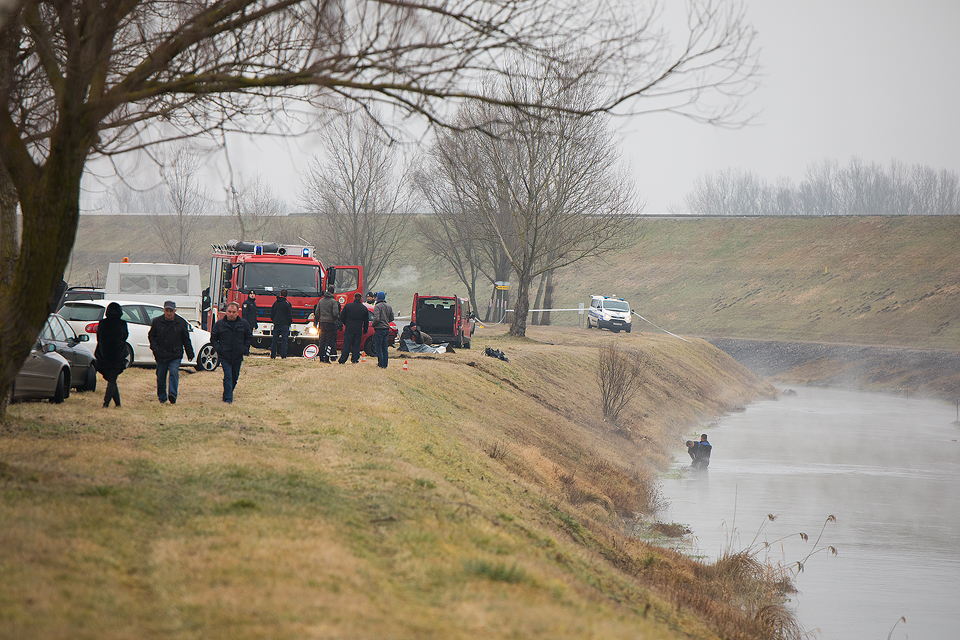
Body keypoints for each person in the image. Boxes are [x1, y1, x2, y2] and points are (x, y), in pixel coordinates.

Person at [148, 300, 194, 404]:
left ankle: (172, 394)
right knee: (161, 377)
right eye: (167, 310)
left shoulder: (181, 323)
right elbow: (151, 336)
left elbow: (186, 339)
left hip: (175, 354)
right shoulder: (156, 322)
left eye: (171, 311)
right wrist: (155, 349)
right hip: (161, 354)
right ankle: (162, 398)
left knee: (173, 372)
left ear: (175, 311)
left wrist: (190, 353)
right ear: (164, 310)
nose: (169, 313)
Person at [211, 301, 253, 404]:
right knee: (228, 377)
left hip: (237, 356)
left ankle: (227, 393)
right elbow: (213, 339)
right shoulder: (220, 324)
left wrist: (244, 348)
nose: (231, 314)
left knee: (234, 378)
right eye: (229, 311)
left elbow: (249, 337)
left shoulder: (243, 324)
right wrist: (219, 349)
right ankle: (228, 399)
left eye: (234, 312)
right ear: (226, 311)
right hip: (224, 356)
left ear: (237, 313)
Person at [94, 302, 128, 408]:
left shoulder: (103, 323)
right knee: (112, 380)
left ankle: (115, 403)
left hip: (104, 355)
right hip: (118, 355)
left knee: (111, 379)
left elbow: (99, 338)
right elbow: (124, 337)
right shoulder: (122, 324)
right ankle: (107, 403)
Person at [337, 293, 369, 364]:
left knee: (346, 345)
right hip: (358, 329)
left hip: (349, 329)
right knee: (356, 345)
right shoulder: (363, 308)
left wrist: (346, 323)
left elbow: (341, 317)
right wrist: (365, 330)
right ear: (361, 298)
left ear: (354, 298)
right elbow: (366, 321)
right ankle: (355, 359)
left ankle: (343, 359)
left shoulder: (348, 306)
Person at [314, 286, 339, 363]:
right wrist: (336, 319)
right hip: (330, 323)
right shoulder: (333, 302)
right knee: (329, 341)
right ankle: (327, 358)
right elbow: (335, 313)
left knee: (322, 341)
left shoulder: (321, 301)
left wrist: (315, 323)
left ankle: (321, 357)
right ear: (333, 292)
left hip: (322, 323)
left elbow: (317, 312)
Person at [372, 291, 394, 368]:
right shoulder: (389, 306)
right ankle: (385, 364)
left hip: (379, 329)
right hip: (386, 329)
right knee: (385, 348)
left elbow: (376, 318)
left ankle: (380, 364)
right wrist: (386, 321)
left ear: (378, 297)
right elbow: (392, 318)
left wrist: (373, 324)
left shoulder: (377, 306)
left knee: (378, 347)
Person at [270, 289, 293, 359]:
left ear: (280, 294)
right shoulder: (287, 304)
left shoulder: (275, 303)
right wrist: (289, 323)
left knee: (274, 341)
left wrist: (274, 320)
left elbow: (271, 314)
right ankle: (283, 356)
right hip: (285, 325)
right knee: (284, 341)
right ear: (286, 295)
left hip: (276, 324)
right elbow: (289, 315)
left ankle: (273, 355)